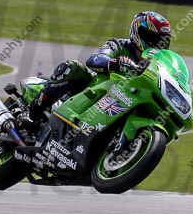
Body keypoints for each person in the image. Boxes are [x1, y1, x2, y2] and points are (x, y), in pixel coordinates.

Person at [24, 11, 171, 131]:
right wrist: (117, 63)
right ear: (139, 34)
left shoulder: (157, 65)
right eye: (153, 39)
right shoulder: (119, 45)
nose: (157, 45)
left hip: (122, 104)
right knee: (73, 67)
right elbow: (94, 60)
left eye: (162, 41)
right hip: (92, 92)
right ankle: (33, 114)